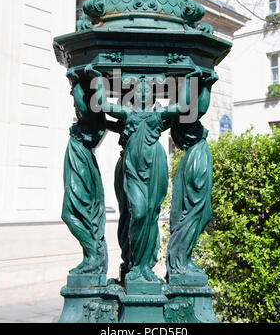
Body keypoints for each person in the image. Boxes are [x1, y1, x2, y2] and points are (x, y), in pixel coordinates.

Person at [85, 66, 201, 282]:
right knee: (138, 213)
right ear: (133, 94)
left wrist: (191, 79)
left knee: (150, 214)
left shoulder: (158, 114)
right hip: (133, 166)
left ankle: (145, 266)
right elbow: (102, 103)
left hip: (155, 163)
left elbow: (184, 105)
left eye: (148, 90)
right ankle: (134, 264)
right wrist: (96, 78)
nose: (144, 93)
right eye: (140, 90)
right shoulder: (127, 113)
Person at [166, 71, 218, 282]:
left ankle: (182, 258)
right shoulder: (183, 115)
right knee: (195, 211)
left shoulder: (181, 115)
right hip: (196, 157)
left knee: (199, 212)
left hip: (196, 155)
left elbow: (198, 107)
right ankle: (180, 261)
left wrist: (203, 83)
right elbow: (201, 107)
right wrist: (205, 83)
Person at [62, 68, 107, 275]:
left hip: (80, 155)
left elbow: (80, 99)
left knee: (70, 212)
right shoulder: (96, 113)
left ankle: (93, 255)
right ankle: (92, 254)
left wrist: (78, 77)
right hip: (79, 154)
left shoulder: (91, 112)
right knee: (78, 211)